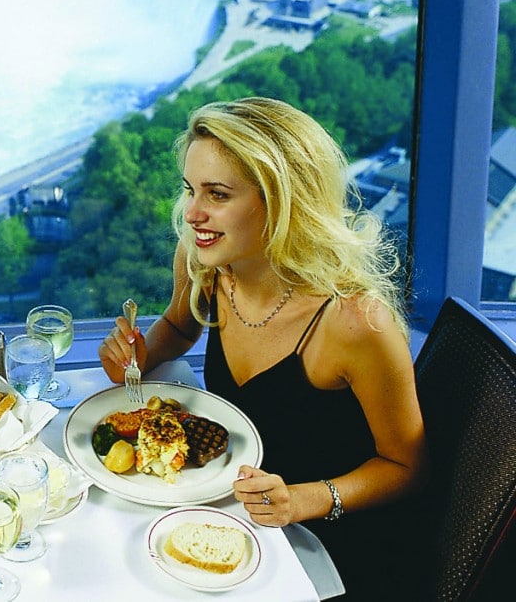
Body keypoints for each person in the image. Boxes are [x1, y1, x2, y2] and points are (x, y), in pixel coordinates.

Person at [98, 97, 425, 600]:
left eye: (218, 194)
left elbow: (407, 468)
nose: (192, 213)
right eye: (190, 190)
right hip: (231, 513)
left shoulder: (357, 323)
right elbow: (180, 326)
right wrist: (139, 357)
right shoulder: (206, 259)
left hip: (324, 543)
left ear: (282, 201)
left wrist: (304, 500)